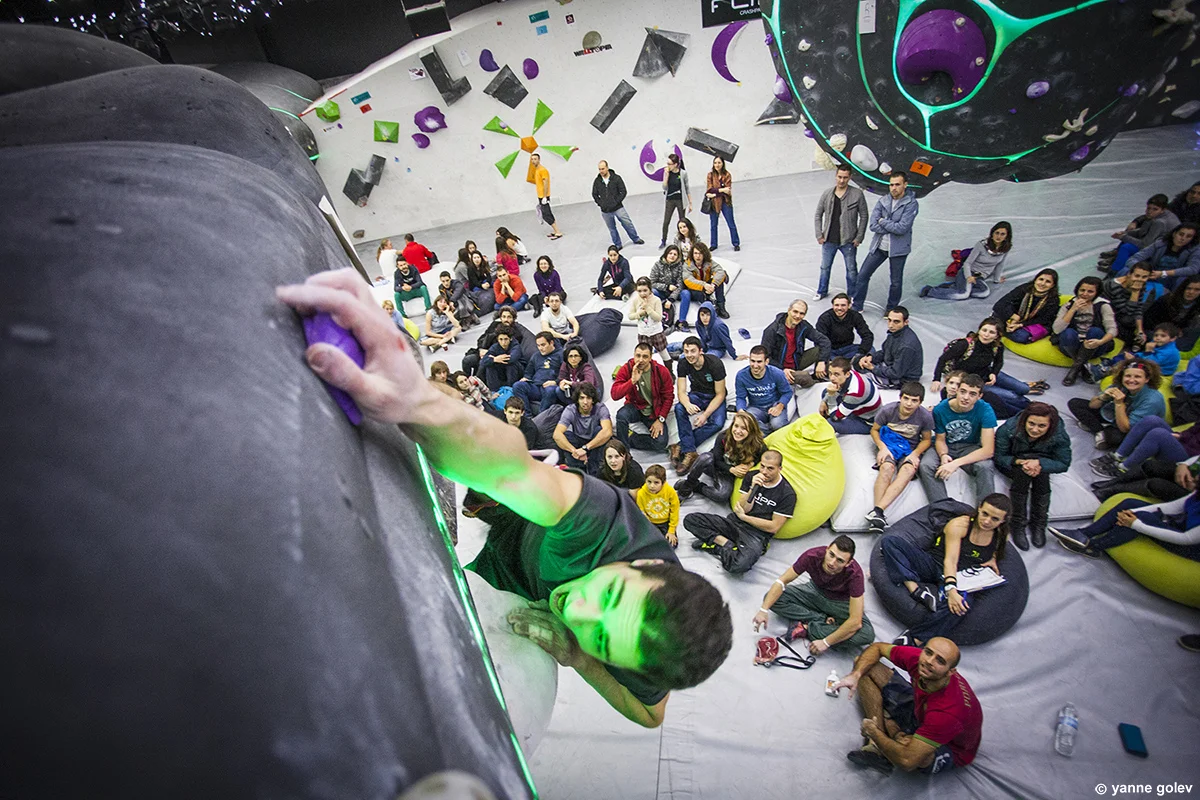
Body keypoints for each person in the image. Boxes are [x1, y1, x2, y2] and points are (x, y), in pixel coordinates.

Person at [276, 268, 733, 727]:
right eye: (609, 593)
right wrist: (417, 401)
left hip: (515, 585)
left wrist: (580, 657)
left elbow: (651, 715)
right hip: (524, 525)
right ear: (643, 563)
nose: (577, 608)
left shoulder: (648, 646)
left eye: (600, 637)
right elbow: (510, 469)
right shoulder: (603, 525)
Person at [835, 638, 982, 776]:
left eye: (940, 661)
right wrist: (855, 675)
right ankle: (877, 745)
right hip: (920, 710)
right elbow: (877, 648)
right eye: (928, 652)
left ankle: (888, 732)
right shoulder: (920, 660)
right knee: (863, 665)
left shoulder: (948, 712)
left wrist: (874, 732)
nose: (929, 661)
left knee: (914, 754)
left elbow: (907, 761)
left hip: (951, 746)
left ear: (951, 672)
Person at [882, 494, 1011, 645]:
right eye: (985, 514)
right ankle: (916, 590)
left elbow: (997, 548)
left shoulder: (1001, 534)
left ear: (1003, 521)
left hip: (963, 576)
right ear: (979, 508)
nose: (987, 521)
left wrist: (993, 558)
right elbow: (950, 560)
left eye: (995, 519)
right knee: (890, 542)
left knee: (961, 605)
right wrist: (951, 589)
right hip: (935, 564)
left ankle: (915, 638)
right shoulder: (959, 525)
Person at [753, 536, 875, 654]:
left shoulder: (855, 574)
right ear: (827, 549)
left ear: (848, 563)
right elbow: (781, 581)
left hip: (840, 602)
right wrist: (763, 610)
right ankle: (821, 620)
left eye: (840, 561)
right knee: (771, 598)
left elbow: (856, 621)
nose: (832, 563)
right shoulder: (812, 555)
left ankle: (807, 628)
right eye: (831, 555)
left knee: (866, 634)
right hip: (815, 591)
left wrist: (826, 642)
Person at [682, 450, 796, 574]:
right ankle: (726, 545)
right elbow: (743, 508)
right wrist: (752, 488)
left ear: (780, 469)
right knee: (690, 520)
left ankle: (717, 547)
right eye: (762, 466)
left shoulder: (787, 494)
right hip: (733, 523)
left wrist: (745, 518)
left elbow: (773, 527)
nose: (764, 472)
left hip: (756, 534)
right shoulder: (752, 476)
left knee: (739, 565)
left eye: (770, 468)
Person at [994, 402, 1072, 550]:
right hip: (1014, 462)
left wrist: (1040, 463)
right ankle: (1018, 523)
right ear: (1024, 421)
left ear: (1050, 425)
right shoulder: (1008, 429)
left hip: (1040, 463)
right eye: (1031, 424)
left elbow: (1063, 463)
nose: (1035, 429)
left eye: (1042, 426)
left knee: (1042, 475)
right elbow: (999, 457)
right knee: (1023, 474)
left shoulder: (1059, 435)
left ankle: (1039, 523)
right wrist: (1021, 462)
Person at [933, 317, 1043, 418]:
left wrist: (994, 373)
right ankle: (1032, 407)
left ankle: (1027, 387)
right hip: (973, 381)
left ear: (997, 335)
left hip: (987, 372)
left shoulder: (997, 346)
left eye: (991, 332)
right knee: (1012, 396)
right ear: (979, 330)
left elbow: (998, 362)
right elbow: (943, 359)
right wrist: (936, 379)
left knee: (1023, 389)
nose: (986, 335)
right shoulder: (965, 345)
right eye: (984, 330)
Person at [1051, 489, 1200, 562]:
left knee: (1143, 518)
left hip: (1190, 547)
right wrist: (1130, 512)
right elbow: (1172, 507)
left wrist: (1136, 524)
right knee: (1130, 503)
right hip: (1180, 523)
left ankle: (1093, 546)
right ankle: (1084, 533)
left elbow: (1186, 539)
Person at [867, 383, 935, 533]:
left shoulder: (925, 416)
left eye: (914, 400)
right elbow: (874, 430)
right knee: (887, 468)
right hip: (889, 446)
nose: (909, 403)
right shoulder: (887, 410)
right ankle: (878, 513)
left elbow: (926, 440)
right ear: (900, 398)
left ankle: (878, 511)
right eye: (906, 398)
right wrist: (882, 448)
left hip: (909, 449)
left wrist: (915, 454)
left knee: (908, 470)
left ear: (920, 402)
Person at [919, 374, 997, 503]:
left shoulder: (985, 409)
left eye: (972, 394)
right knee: (926, 465)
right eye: (963, 391)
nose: (966, 397)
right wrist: (943, 455)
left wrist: (955, 463)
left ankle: (985, 509)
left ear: (980, 396)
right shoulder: (940, 409)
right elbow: (940, 439)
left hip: (969, 446)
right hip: (947, 445)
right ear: (957, 391)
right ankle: (942, 507)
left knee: (985, 466)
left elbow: (988, 450)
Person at [852, 172, 919, 312]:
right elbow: (873, 225)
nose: (893, 188)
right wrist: (891, 225)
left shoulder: (911, 203)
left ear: (905, 185)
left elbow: (902, 228)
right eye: (891, 185)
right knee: (863, 275)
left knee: (895, 282)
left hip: (898, 250)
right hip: (879, 246)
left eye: (897, 184)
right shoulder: (883, 201)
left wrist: (882, 221)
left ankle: (891, 309)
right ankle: (857, 307)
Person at [1067, 358, 1166, 450]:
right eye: (1127, 376)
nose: (1131, 380)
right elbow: (1092, 406)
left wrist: (1119, 404)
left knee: (1114, 437)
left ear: (1147, 379)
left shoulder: (1152, 400)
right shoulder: (1120, 385)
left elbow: (1126, 428)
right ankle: (1100, 431)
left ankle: (1099, 428)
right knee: (1075, 403)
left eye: (1137, 377)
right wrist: (1103, 397)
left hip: (1133, 428)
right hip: (1114, 416)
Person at [674, 410, 766, 502]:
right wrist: (732, 469)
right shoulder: (723, 437)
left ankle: (696, 486)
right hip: (714, 465)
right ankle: (686, 487)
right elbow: (717, 460)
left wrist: (750, 464)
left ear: (751, 430)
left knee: (722, 495)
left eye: (744, 428)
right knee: (705, 457)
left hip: (727, 474)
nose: (738, 431)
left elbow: (763, 454)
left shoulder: (757, 443)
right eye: (736, 426)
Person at [1090, 415, 1200, 490]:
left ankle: (1124, 468)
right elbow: (1195, 429)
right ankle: (1118, 455)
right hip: (1185, 443)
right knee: (1152, 420)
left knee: (1158, 434)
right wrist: (1182, 435)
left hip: (1190, 459)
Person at [671, 337, 728, 474]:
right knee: (679, 408)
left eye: (693, 351)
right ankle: (690, 452)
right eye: (686, 351)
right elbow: (681, 391)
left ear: (700, 351)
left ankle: (681, 446)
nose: (689, 355)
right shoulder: (683, 363)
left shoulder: (715, 364)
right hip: (697, 394)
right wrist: (687, 404)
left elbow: (720, 394)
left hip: (714, 396)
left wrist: (705, 415)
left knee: (717, 423)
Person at [813, 165, 868, 300]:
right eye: (839, 177)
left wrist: (859, 237)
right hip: (829, 239)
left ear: (850, 178)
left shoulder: (857, 194)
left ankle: (852, 294)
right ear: (836, 176)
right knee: (825, 267)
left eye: (845, 177)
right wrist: (819, 234)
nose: (842, 180)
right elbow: (818, 214)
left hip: (848, 240)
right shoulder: (827, 194)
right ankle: (821, 291)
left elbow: (864, 216)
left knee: (851, 269)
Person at [919, 222, 1012, 300]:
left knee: (984, 293)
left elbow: (1000, 264)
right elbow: (967, 263)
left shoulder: (1006, 248)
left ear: (1007, 236)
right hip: (968, 272)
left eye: (1002, 234)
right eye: (997, 233)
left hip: (980, 276)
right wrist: (968, 277)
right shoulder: (981, 245)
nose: (998, 236)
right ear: (992, 233)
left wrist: (997, 279)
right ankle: (930, 291)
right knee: (963, 294)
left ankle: (955, 286)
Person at [611, 342, 675, 454]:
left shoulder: (661, 371)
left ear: (650, 357)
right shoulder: (627, 369)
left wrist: (660, 419)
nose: (641, 360)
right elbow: (614, 395)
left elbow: (669, 397)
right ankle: (624, 452)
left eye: (645, 356)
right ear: (634, 355)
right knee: (621, 415)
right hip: (635, 407)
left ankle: (630, 436)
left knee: (660, 443)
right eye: (638, 356)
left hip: (654, 411)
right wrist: (632, 381)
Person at [1053, 276, 1117, 385]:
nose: (1085, 294)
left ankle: (1075, 369)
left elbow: (1112, 329)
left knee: (1096, 331)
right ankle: (1083, 367)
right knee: (1068, 333)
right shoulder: (1069, 305)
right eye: (1082, 290)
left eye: (1090, 291)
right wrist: (1073, 309)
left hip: (1094, 346)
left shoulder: (1103, 306)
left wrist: (1100, 342)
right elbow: (1057, 329)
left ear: (1097, 293)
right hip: (1071, 345)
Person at [1099, 193, 1180, 274]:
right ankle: (1115, 260)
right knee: (1128, 238)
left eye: (1155, 209)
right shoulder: (1163, 215)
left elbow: (1145, 245)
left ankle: (1114, 270)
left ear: (1162, 210)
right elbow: (1144, 231)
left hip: (1163, 251)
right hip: (1162, 245)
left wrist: (1124, 237)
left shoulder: (1159, 222)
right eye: (1148, 208)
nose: (1149, 212)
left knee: (1126, 247)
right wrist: (1126, 233)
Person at [761, 299, 832, 390]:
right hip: (780, 368)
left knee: (822, 353)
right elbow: (765, 357)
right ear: (789, 310)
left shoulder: (803, 326)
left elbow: (824, 341)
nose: (798, 316)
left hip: (796, 362)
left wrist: (822, 361)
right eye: (795, 312)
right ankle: (816, 385)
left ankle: (820, 376)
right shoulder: (772, 330)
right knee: (805, 377)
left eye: (801, 313)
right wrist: (782, 369)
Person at [854, 306, 923, 389]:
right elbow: (885, 351)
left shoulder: (906, 345)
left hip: (903, 379)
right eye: (889, 320)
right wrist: (870, 357)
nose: (891, 325)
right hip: (890, 366)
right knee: (858, 362)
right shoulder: (894, 333)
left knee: (859, 382)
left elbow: (895, 373)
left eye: (896, 322)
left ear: (906, 322)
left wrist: (872, 368)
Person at [552, 383, 613, 475]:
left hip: (594, 442)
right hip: (578, 441)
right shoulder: (570, 410)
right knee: (566, 435)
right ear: (577, 399)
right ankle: (577, 469)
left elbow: (608, 431)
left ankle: (595, 470)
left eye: (588, 398)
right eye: (582, 398)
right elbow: (557, 434)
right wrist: (575, 451)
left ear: (593, 400)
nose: (585, 402)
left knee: (600, 430)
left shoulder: (600, 408)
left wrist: (586, 448)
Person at [1102, 262, 1161, 353]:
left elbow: (1138, 308)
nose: (1140, 280)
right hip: (1109, 315)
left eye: (1144, 277)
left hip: (1125, 317)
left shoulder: (1141, 285)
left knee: (1146, 333)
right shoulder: (1114, 286)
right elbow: (1127, 311)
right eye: (1137, 276)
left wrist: (1140, 330)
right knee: (1129, 324)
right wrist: (1135, 292)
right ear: (1129, 274)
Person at [991, 268, 1060, 344]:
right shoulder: (1024, 288)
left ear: (1053, 285)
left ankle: (1000, 330)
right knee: (998, 314)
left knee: (1021, 336)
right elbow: (999, 304)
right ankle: (1002, 329)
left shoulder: (1053, 299)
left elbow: (1043, 319)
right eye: (1041, 279)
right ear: (1035, 280)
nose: (1043, 283)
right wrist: (1012, 317)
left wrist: (1020, 325)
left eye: (1048, 282)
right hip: (1014, 318)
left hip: (1030, 324)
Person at [735, 346, 793, 433]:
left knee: (777, 424)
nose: (755, 365)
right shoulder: (741, 376)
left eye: (759, 362)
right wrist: (741, 410)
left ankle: (764, 432)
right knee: (747, 422)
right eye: (752, 361)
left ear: (766, 362)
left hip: (774, 405)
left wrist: (780, 406)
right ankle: (769, 432)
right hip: (755, 407)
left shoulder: (777, 373)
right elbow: (740, 397)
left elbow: (787, 392)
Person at [1124, 222, 1200, 285]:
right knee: (1126, 270)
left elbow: (1193, 269)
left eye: (1188, 236)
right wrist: (1142, 270)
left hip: (1174, 279)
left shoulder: (1195, 249)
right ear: (1174, 234)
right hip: (1152, 274)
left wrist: (1163, 273)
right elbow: (1135, 258)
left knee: (1182, 280)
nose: (1183, 238)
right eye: (1181, 234)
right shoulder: (1161, 243)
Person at [815, 294, 874, 374]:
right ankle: (844, 366)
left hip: (848, 349)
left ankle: (850, 364)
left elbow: (867, 335)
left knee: (870, 349)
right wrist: (823, 360)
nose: (839, 308)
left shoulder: (855, 316)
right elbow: (819, 341)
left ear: (849, 306)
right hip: (831, 350)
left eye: (843, 305)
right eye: (836, 305)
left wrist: (860, 353)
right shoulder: (824, 318)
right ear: (832, 306)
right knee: (821, 360)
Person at [820, 357, 882, 435]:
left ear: (847, 374)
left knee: (831, 422)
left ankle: (837, 412)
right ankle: (838, 410)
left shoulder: (855, 394)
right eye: (830, 373)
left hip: (866, 421)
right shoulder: (850, 373)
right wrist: (824, 401)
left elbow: (835, 417)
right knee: (825, 392)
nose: (832, 378)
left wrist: (831, 395)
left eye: (836, 374)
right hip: (857, 406)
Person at [1101, 322, 1181, 379]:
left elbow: (1151, 363)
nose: (1158, 338)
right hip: (1148, 360)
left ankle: (1107, 370)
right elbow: (1143, 355)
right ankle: (1108, 363)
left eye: (1163, 336)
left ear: (1172, 338)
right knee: (1125, 355)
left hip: (1159, 370)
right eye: (1156, 335)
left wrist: (1146, 352)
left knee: (1128, 364)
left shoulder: (1169, 352)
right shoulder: (1159, 343)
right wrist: (1136, 356)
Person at [593, 160, 643, 248]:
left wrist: (616, 202)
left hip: (618, 208)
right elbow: (594, 194)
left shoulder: (616, 178)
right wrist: (601, 204)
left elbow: (623, 191)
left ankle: (635, 238)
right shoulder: (597, 181)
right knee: (612, 229)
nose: (601, 171)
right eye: (599, 169)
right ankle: (618, 244)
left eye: (603, 169)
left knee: (627, 224)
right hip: (605, 210)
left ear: (607, 168)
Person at [512, 332, 564, 415]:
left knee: (550, 390)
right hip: (535, 387)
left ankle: (540, 417)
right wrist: (526, 377)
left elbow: (565, 373)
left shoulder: (561, 354)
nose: (540, 348)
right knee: (517, 386)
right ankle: (527, 416)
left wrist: (555, 382)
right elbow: (529, 372)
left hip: (550, 387)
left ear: (551, 343)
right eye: (538, 345)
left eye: (543, 345)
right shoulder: (536, 356)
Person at [1144, 276, 1200, 352]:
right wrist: (1169, 331)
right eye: (1188, 288)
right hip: (1156, 331)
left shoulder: (1197, 306)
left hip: (1178, 335)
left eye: (1197, 290)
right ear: (1183, 288)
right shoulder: (1166, 300)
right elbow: (1148, 321)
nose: (1191, 292)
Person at [463, 305, 522, 377]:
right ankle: (466, 379)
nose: (506, 319)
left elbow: (510, 351)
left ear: (513, 318)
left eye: (509, 317)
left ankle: (477, 380)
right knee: (467, 360)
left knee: (483, 365)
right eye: (504, 317)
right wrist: (481, 349)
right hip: (484, 352)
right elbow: (482, 338)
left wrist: (490, 355)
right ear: (500, 318)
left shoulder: (516, 334)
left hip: (496, 358)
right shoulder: (494, 325)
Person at [627, 278, 672, 368]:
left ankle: (669, 371)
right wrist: (639, 314)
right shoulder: (636, 300)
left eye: (645, 290)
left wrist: (647, 308)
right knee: (645, 355)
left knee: (663, 353)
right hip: (643, 333)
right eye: (639, 291)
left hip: (656, 332)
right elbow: (630, 316)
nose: (642, 293)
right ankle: (650, 372)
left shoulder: (656, 300)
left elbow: (658, 318)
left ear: (650, 289)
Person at [681, 241, 730, 321]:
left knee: (719, 281)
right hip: (694, 289)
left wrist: (713, 285)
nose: (698, 256)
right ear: (692, 254)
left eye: (700, 253)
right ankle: (710, 307)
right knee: (700, 294)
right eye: (695, 253)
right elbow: (688, 280)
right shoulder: (687, 265)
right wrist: (704, 285)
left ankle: (721, 306)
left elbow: (719, 271)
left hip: (707, 285)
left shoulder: (709, 262)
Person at [636, 465, 680, 548]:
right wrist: (649, 529)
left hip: (665, 523)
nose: (652, 486)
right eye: (649, 482)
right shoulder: (641, 493)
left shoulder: (670, 492)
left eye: (656, 482)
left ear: (663, 482)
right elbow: (642, 512)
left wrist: (671, 531)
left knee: (671, 545)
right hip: (650, 523)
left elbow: (674, 512)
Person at [704, 156, 740, 252]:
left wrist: (715, 193)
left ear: (723, 164)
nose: (717, 165)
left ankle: (736, 243)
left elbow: (727, 190)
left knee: (731, 223)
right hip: (714, 203)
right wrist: (722, 190)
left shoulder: (727, 175)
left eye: (719, 163)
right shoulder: (710, 175)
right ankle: (713, 244)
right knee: (713, 224)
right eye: (715, 163)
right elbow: (710, 189)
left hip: (725, 201)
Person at [659, 153, 692, 248]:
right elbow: (664, 187)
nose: (668, 166)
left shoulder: (683, 173)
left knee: (682, 221)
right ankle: (663, 240)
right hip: (670, 200)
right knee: (666, 221)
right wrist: (666, 176)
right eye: (667, 163)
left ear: (676, 164)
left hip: (680, 200)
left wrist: (690, 203)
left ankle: (684, 238)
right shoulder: (667, 173)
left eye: (670, 164)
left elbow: (687, 188)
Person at [650, 244, 686, 328]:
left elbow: (680, 284)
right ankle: (655, 317)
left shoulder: (680, 266)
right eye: (670, 253)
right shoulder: (657, 265)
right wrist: (666, 287)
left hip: (675, 293)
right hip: (662, 291)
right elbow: (652, 282)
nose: (672, 256)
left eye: (675, 254)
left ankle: (682, 321)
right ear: (666, 254)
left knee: (686, 293)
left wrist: (671, 299)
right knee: (653, 292)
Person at [480, 325, 525, 391]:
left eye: (506, 339)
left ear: (510, 338)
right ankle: (494, 391)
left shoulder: (516, 346)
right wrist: (495, 359)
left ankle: (510, 389)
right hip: (502, 371)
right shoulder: (495, 347)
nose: (503, 342)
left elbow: (511, 359)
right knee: (490, 365)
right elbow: (483, 362)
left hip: (517, 371)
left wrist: (497, 358)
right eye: (501, 339)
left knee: (511, 364)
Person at [529, 153, 563, 239]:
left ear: (539, 160)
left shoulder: (543, 170)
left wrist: (544, 197)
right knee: (546, 213)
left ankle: (558, 232)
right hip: (541, 196)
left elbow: (546, 183)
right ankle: (556, 231)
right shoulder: (537, 170)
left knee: (546, 214)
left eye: (535, 159)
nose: (533, 161)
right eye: (532, 159)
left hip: (544, 196)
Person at [465, 250, 497, 315]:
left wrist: (488, 282)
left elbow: (488, 276)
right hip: (475, 285)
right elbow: (474, 281)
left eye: (478, 257)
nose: (477, 259)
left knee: (495, 285)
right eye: (474, 258)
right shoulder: (470, 268)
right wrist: (481, 285)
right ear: (472, 259)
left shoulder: (484, 265)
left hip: (484, 281)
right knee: (480, 293)